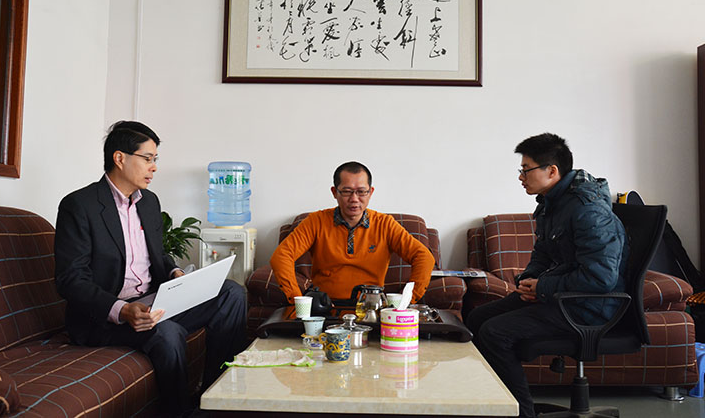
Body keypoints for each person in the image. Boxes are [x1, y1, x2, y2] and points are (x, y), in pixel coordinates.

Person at [54, 121, 247, 416]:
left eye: (155, 159)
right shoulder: (79, 205)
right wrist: (122, 310)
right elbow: (71, 280)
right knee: (167, 332)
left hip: (153, 301)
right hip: (105, 317)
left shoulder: (149, 202)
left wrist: (175, 274)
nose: (154, 167)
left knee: (231, 293)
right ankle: (178, 412)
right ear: (120, 158)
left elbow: (156, 256)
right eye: (147, 158)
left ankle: (215, 399)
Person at [465, 133, 628, 418]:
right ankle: (497, 404)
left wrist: (543, 287)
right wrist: (529, 281)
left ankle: (521, 413)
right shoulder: (552, 203)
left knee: (494, 332)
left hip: (589, 306)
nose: (521, 177)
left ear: (552, 171)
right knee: (477, 318)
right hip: (563, 296)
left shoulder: (588, 210)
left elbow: (600, 278)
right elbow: (542, 252)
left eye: (526, 170)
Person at [270, 161, 435, 305]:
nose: (354, 199)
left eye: (361, 191)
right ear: (334, 192)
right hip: (325, 306)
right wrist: (297, 299)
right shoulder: (316, 221)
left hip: (369, 308)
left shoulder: (385, 224)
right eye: (347, 191)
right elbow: (282, 256)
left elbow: (424, 257)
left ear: (371, 192)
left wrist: (407, 301)